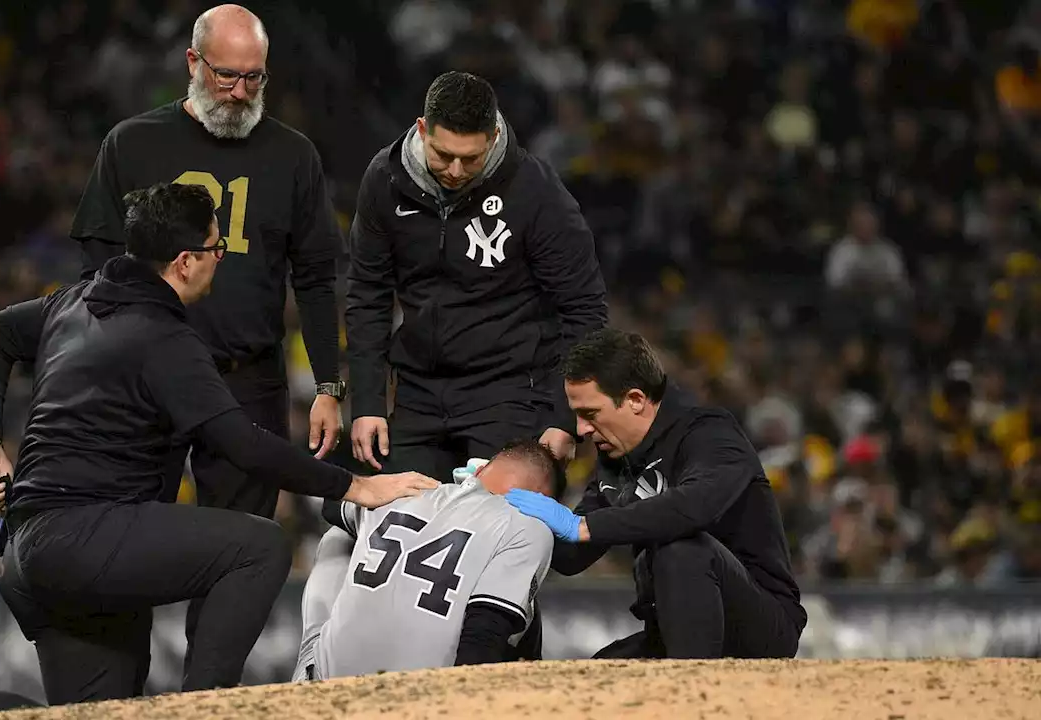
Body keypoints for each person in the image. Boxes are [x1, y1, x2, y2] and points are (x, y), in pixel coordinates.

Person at [0, 183, 437, 719]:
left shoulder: (73, 303)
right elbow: (241, 444)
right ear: (184, 262)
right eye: (216, 248)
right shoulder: (163, 336)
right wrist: (355, 485)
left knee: (98, 714)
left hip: (34, 550)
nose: (220, 258)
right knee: (258, 546)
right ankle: (201, 711)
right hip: (85, 535)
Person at [70, 3, 346, 521]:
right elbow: (96, 271)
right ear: (193, 62)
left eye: (254, 78)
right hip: (144, 375)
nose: (240, 92)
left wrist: (328, 387)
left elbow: (313, 279)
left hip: (248, 380)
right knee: (127, 537)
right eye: (226, 76)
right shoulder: (132, 142)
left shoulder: (293, 155)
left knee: (241, 545)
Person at [345, 70, 607, 483]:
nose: (454, 169)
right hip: (418, 391)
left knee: (498, 528)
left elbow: (585, 308)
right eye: (443, 154)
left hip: (509, 392)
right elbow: (367, 294)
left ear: (493, 134)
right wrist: (367, 403)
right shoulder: (384, 179)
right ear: (422, 129)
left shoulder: (535, 190)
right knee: (389, 516)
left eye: (470, 158)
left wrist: (564, 415)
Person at [505, 329, 808, 659]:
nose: (581, 430)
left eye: (590, 414)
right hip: (671, 630)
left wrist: (582, 526)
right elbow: (570, 557)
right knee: (592, 678)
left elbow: (695, 506)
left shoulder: (710, 432)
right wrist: (515, 495)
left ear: (635, 400)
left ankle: (696, 698)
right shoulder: (617, 459)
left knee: (680, 546)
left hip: (760, 627)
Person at [294, 440, 560, 681]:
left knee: (338, 535)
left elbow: (331, 507)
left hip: (327, 688)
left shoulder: (407, 488)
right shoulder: (529, 525)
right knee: (521, 602)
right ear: (545, 504)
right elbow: (483, 637)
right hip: (421, 700)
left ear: (477, 472)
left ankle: (305, 679)